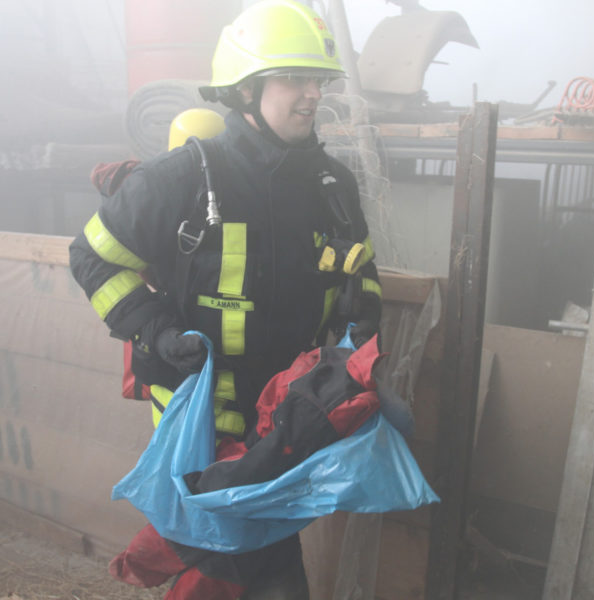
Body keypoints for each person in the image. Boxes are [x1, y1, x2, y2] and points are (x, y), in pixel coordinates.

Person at [69, 0, 382, 598]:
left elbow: (361, 275)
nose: (313, 94)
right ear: (245, 90)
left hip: (287, 420)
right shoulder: (184, 177)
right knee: (234, 561)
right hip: (200, 421)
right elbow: (91, 257)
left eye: (318, 80)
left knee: (248, 553)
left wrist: (358, 333)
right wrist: (156, 331)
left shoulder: (332, 187)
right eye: (295, 78)